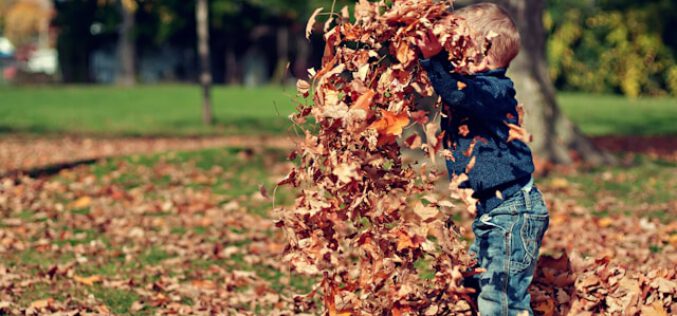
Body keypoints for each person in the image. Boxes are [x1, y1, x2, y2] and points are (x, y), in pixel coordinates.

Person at [416, 3, 549, 315]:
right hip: (495, 214)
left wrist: (433, 61)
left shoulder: (493, 89)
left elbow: (457, 92)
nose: (452, 55)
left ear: (481, 51)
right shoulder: (478, 89)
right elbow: (454, 87)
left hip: (512, 214)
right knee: (478, 285)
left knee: (501, 302)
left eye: (459, 46)